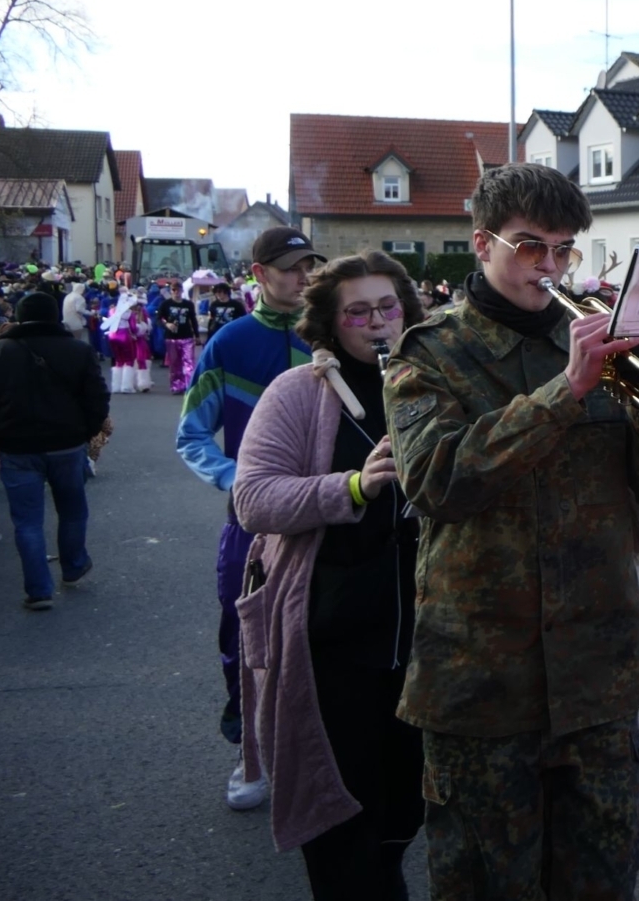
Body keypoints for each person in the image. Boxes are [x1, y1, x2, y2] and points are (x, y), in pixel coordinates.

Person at [385, 163, 639, 901]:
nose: (550, 267)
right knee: (487, 886)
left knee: (603, 882)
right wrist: (566, 392)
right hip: (481, 684)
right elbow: (434, 481)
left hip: (598, 679)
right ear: (482, 243)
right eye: (530, 246)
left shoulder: (598, 337)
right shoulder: (429, 353)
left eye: (564, 250)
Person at [233, 251, 426, 897]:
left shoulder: (430, 383)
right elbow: (253, 499)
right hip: (333, 636)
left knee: (405, 804)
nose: (378, 323)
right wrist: (353, 486)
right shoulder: (297, 392)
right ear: (330, 322)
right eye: (358, 312)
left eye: (388, 307)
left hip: (422, 634)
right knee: (343, 812)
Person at [177, 227, 324, 811]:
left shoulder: (337, 332)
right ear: (259, 274)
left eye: (310, 265)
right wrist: (238, 480)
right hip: (253, 524)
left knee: (329, 635)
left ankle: (329, 755)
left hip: (334, 511)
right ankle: (252, 753)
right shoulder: (230, 343)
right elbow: (192, 435)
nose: (303, 277)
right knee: (246, 636)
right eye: (290, 267)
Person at [0, 291, 109, 608]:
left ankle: (38, 589)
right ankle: (73, 566)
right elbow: (97, 398)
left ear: (19, 316)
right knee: (72, 509)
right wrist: (85, 431)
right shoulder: (77, 350)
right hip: (66, 443)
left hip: (15, 446)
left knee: (27, 520)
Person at [157, 283, 199, 395]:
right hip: (172, 338)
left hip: (187, 337)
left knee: (189, 362)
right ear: (171, 291)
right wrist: (167, 324)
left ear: (182, 291)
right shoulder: (165, 304)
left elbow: (193, 320)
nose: (176, 292)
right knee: (175, 364)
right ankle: (177, 386)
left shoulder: (188, 304)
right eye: (173, 290)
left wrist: (197, 335)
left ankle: (190, 386)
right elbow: (159, 318)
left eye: (178, 290)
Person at [106, 291, 152, 394]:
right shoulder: (129, 313)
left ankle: (117, 386)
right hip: (127, 338)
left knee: (119, 361)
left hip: (113, 336)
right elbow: (134, 329)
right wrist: (141, 328)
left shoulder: (113, 310)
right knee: (130, 361)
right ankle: (127, 386)